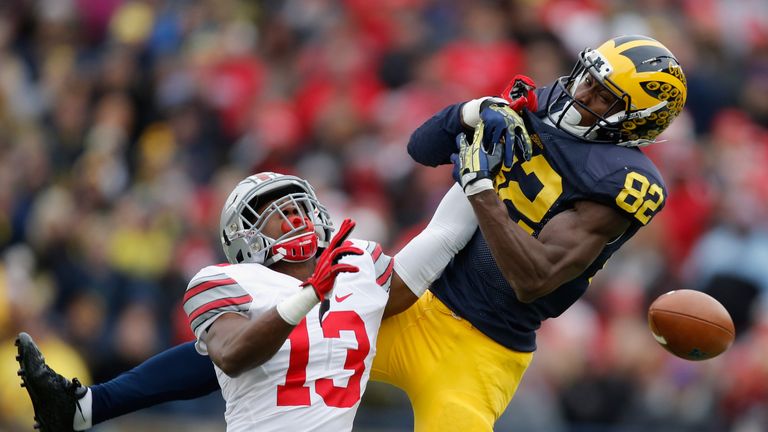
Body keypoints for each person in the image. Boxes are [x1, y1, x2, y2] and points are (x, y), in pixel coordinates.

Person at [16, 34, 687, 431]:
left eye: (602, 98)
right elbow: (425, 149)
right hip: (415, 298)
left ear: (639, 122)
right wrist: (469, 108)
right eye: (586, 79)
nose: (579, 97)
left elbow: (531, 274)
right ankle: (87, 409)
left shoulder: (627, 183)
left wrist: (480, 186)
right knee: (270, 334)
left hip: (484, 350)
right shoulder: (536, 105)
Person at [16, 171, 477, 431]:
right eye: (275, 211)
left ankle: (86, 408)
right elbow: (230, 356)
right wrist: (309, 295)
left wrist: (481, 167)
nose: (293, 215)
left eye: (298, 205)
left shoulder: (359, 266)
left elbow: (442, 236)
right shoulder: (228, 279)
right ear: (244, 236)